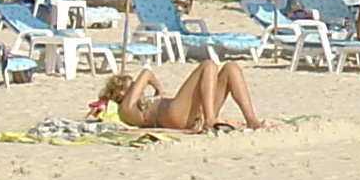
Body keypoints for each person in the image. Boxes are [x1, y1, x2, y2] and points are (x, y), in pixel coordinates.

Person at [97, 59, 264, 131]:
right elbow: (146, 73)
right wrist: (158, 88)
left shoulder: (134, 104)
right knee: (208, 65)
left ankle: (251, 120)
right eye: (131, 85)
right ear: (121, 92)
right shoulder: (127, 108)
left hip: (190, 113)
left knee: (230, 68)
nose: (138, 87)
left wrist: (158, 92)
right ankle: (210, 120)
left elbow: (147, 75)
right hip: (173, 116)